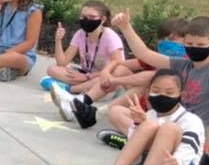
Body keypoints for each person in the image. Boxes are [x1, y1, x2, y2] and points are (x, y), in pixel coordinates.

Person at [78, 69, 205, 165]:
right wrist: (138, 125)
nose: (162, 96)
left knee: (168, 128)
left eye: (169, 93)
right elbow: (133, 151)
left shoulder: (191, 120)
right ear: (148, 92)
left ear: (182, 95)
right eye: (156, 90)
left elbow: (183, 158)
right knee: (149, 124)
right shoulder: (151, 114)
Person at [100, 13, 209, 146]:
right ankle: (142, 143)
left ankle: (138, 143)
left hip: (193, 132)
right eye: (189, 43)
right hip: (170, 122)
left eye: (200, 45)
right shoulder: (183, 65)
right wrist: (126, 27)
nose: (194, 48)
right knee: (116, 112)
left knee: (161, 131)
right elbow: (145, 54)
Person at [56, 17, 187, 142]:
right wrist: (106, 72)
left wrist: (114, 81)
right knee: (115, 110)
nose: (166, 42)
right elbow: (120, 63)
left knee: (147, 84)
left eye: (172, 39)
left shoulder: (185, 64)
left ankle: (85, 106)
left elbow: (151, 76)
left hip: (163, 114)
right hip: (144, 111)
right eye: (163, 39)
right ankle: (80, 101)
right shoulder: (158, 58)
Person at [44, 1, 125, 122]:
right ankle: (74, 89)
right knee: (52, 69)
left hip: (103, 77)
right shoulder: (80, 34)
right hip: (85, 75)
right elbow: (62, 62)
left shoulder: (110, 36)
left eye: (92, 17)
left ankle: (67, 90)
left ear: (102, 19)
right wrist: (58, 40)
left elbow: (119, 65)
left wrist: (87, 77)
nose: (86, 20)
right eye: (83, 16)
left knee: (103, 80)